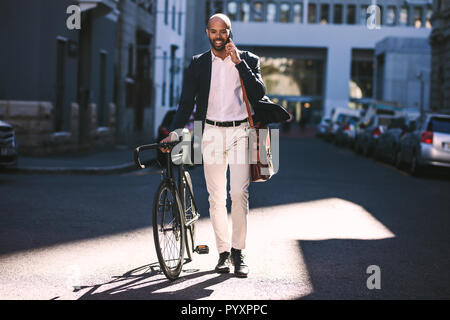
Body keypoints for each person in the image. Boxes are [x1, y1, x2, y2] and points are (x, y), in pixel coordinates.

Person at [160, 13, 266, 278]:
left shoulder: (248, 59)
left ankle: (239, 252)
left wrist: (239, 63)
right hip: (209, 132)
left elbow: (259, 94)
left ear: (230, 31)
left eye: (224, 31)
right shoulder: (198, 63)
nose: (219, 37)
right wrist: (174, 131)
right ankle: (223, 253)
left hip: (242, 131)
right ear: (207, 32)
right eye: (213, 31)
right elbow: (186, 102)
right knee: (216, 198)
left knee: (239, 194)